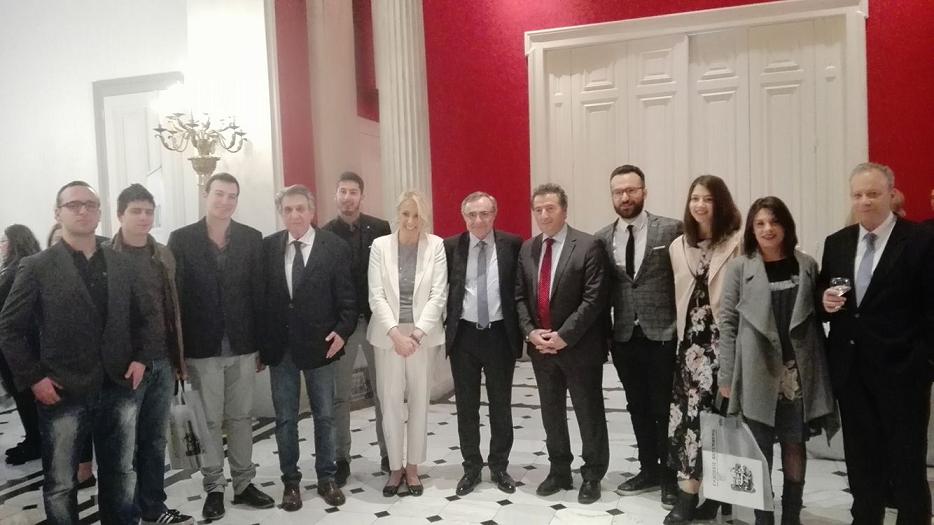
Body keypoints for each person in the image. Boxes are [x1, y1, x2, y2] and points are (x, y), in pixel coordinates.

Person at [0, 181, 160, 524]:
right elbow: (9, 328)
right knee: (61, 482)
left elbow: (147, 316)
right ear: (58, 213)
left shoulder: (121, 263)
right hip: (62, 389)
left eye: (90, 204)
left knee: (120, 473)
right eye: (73, 205)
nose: (83, 210)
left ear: (100, 213)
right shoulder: (37, 266)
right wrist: (34, 379)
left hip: (118, 385)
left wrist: (141, 359)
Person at [820, 162, 933, 524]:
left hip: (903, 373)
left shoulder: (920, 240)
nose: (865, 201)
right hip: (852, 372)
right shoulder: (837, 243)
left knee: (906, 463)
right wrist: (824, 301)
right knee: (861, 461)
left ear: (890, 193)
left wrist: (924, 364)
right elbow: (824, 296)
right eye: (858, 195)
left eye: (872, 193)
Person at [718, 197, 839, 525]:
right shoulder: (740, 268)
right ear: (751, 229)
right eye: (760, 223)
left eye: (774, 222)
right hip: (756, 371)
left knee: (794, 443)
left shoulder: (806, 265)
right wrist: (726, 376)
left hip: (797, 372)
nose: (768, 229)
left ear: (786, 226)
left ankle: (792, 515)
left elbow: (819, 314)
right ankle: (763, 516)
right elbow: (727, 323)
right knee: (758, 449)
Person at [167, 173, 273, 519]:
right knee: (209, 421)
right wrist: (178, 354)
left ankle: (243, 483)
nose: (225, 201)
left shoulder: (251, 238)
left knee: (241, 417)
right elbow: (176, 300)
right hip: (202, 348)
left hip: (243, 345)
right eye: (219, 194)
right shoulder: (182, 239)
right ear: (206, 193)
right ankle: (214, 486)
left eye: (232, 196)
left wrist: (262, 346)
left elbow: (259, 295)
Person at [260, 185, 356, 510]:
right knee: (285, 419)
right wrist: (261, 347)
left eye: (300, 208)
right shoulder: (268, 247)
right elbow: (260, 300)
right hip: (281, 349)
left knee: (324, 416)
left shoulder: (334, 247)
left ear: (312, 211)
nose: (295, 215)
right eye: (288, 209)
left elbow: (348, 299)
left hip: (321, 347)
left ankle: (327, 478)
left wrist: (342, 332)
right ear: (281, 213)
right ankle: (291, 483)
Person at [515, 183, 610, 505]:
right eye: (538, 209)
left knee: (588, 412)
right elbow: (519, 297)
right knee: (551, 412)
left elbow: (594, 298)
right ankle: (559, 470)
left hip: (579, 348)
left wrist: (564, 336)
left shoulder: (588, 245)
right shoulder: (527, 249)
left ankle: (593, 474)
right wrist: (531, 332)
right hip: (541, 349)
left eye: (550, 208)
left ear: (564, 210)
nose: (544, 215)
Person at [595, 165, 682, 507]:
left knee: (665, 407)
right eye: (618, 192)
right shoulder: (602, 238)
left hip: (663, 334)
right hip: (624, 336)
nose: (625, 197)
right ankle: (649, 470)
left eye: (631, 190)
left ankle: (671, 476)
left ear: (644, 191)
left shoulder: (671, 230)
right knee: (637, 406)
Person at [107, 184, 192, 525]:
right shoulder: (107, 257)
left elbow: (171, 310)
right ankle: (126, 514)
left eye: (148, 211)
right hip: (127, 367)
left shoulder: (163, 254)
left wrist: (179, 360)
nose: (143, 218)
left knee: (155, 441)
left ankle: (154, 507)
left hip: (163, 361)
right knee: (124, 447)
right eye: (136, 211)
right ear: (120, 215)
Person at [664, 174, 742, 524]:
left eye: (708, 199)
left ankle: (718, 495)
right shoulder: (678, 245)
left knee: (720, 423)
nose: (700, 205)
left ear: (720, 203)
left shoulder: (738, 243)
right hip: (690, 350)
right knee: (688, 423)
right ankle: (687, 494)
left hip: (722, 346)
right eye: (695, 198)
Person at [367, 190, 448, 497]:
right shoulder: (380, 246)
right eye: (405, 214)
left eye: (417, 215)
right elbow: (376, 295)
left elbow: (438, 295)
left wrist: (415, 335)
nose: (411, 221)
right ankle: (394, 468)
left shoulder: (435, 245)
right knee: (389, 402)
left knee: (418, 401)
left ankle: (412, 467)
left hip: (421, 337)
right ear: (397, 214)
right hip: (388, 336)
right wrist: (395, 334)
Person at [444, 191, 522, 496]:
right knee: (467, 406)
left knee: (501, 404)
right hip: (464, 336)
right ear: (463, 217)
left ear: (494, 214)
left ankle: (499, 466)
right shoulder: (450, 246)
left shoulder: (513, 244)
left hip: (499, 335)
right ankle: (472, 467)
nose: (478, 220)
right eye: (472, 215)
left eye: (485, 213)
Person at [321, 171, 392, 481]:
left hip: (377, 321)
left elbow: (388, 274)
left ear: (362, 196)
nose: (347, 197)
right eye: (342, 191)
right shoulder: (324, 234)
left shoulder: (381, 228)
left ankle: (389, 454)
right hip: (342, 327)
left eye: (353, 192)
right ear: (335, 195)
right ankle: (341, 458)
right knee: (340, 396)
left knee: (384, 392)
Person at [44, 222, 97, 488]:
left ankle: (86, 471)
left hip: (96, 367)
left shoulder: (93, 273)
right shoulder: (38, 272)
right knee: (64, 440)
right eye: (56, 240)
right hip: (58, 370)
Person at [0, 225, 42, 465]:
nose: (1, 245)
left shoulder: (19, 270)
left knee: (24, 393)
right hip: (18, 342)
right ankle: (33, 438)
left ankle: (36, 441)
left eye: (4, 240)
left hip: (18, 343)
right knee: (22, 394)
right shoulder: (18, 268)